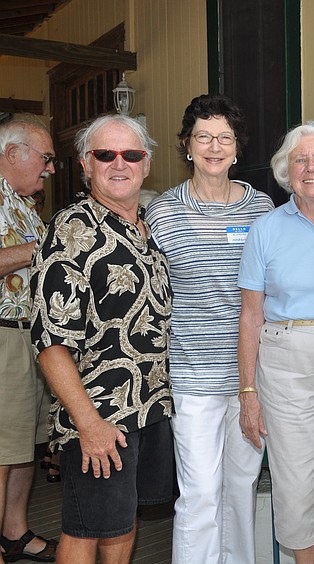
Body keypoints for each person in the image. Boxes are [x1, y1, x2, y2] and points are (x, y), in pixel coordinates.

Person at [30, 114, 173, 564]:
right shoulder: (72, 231)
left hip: (146, 410)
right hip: (99, 415)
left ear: (146, 164)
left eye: (131, 154)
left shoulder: (146, 230)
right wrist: (89, 424)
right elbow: (50, 343)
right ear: (85, 164)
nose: (119, 163)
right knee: (86, 528)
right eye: (104, 154)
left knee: (120, 522)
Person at [146, 93, 273, 564]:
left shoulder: (260, 208)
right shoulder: (162, 213)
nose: (214, 147)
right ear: (187, 145)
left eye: (225, 138)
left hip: (250, 380)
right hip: (193, 376)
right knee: (199, 492)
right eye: (204, 137)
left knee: (241, 489)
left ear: (238, 148)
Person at [237, 122, 314, 564]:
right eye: (300, 160)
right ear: (287, 171)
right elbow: (250, 315)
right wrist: (248, 392)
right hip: (285, 355)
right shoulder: (265, 229)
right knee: (296, 476)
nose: (311, 168)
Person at [0, 119, 58, 563]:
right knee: (2, 448)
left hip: (31, 338)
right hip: (2, 337)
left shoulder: (22, 204)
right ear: (11, 153)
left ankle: (13, 531)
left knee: (23, 444)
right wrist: (43, 250)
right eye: (46, 158)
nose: (51, 169)